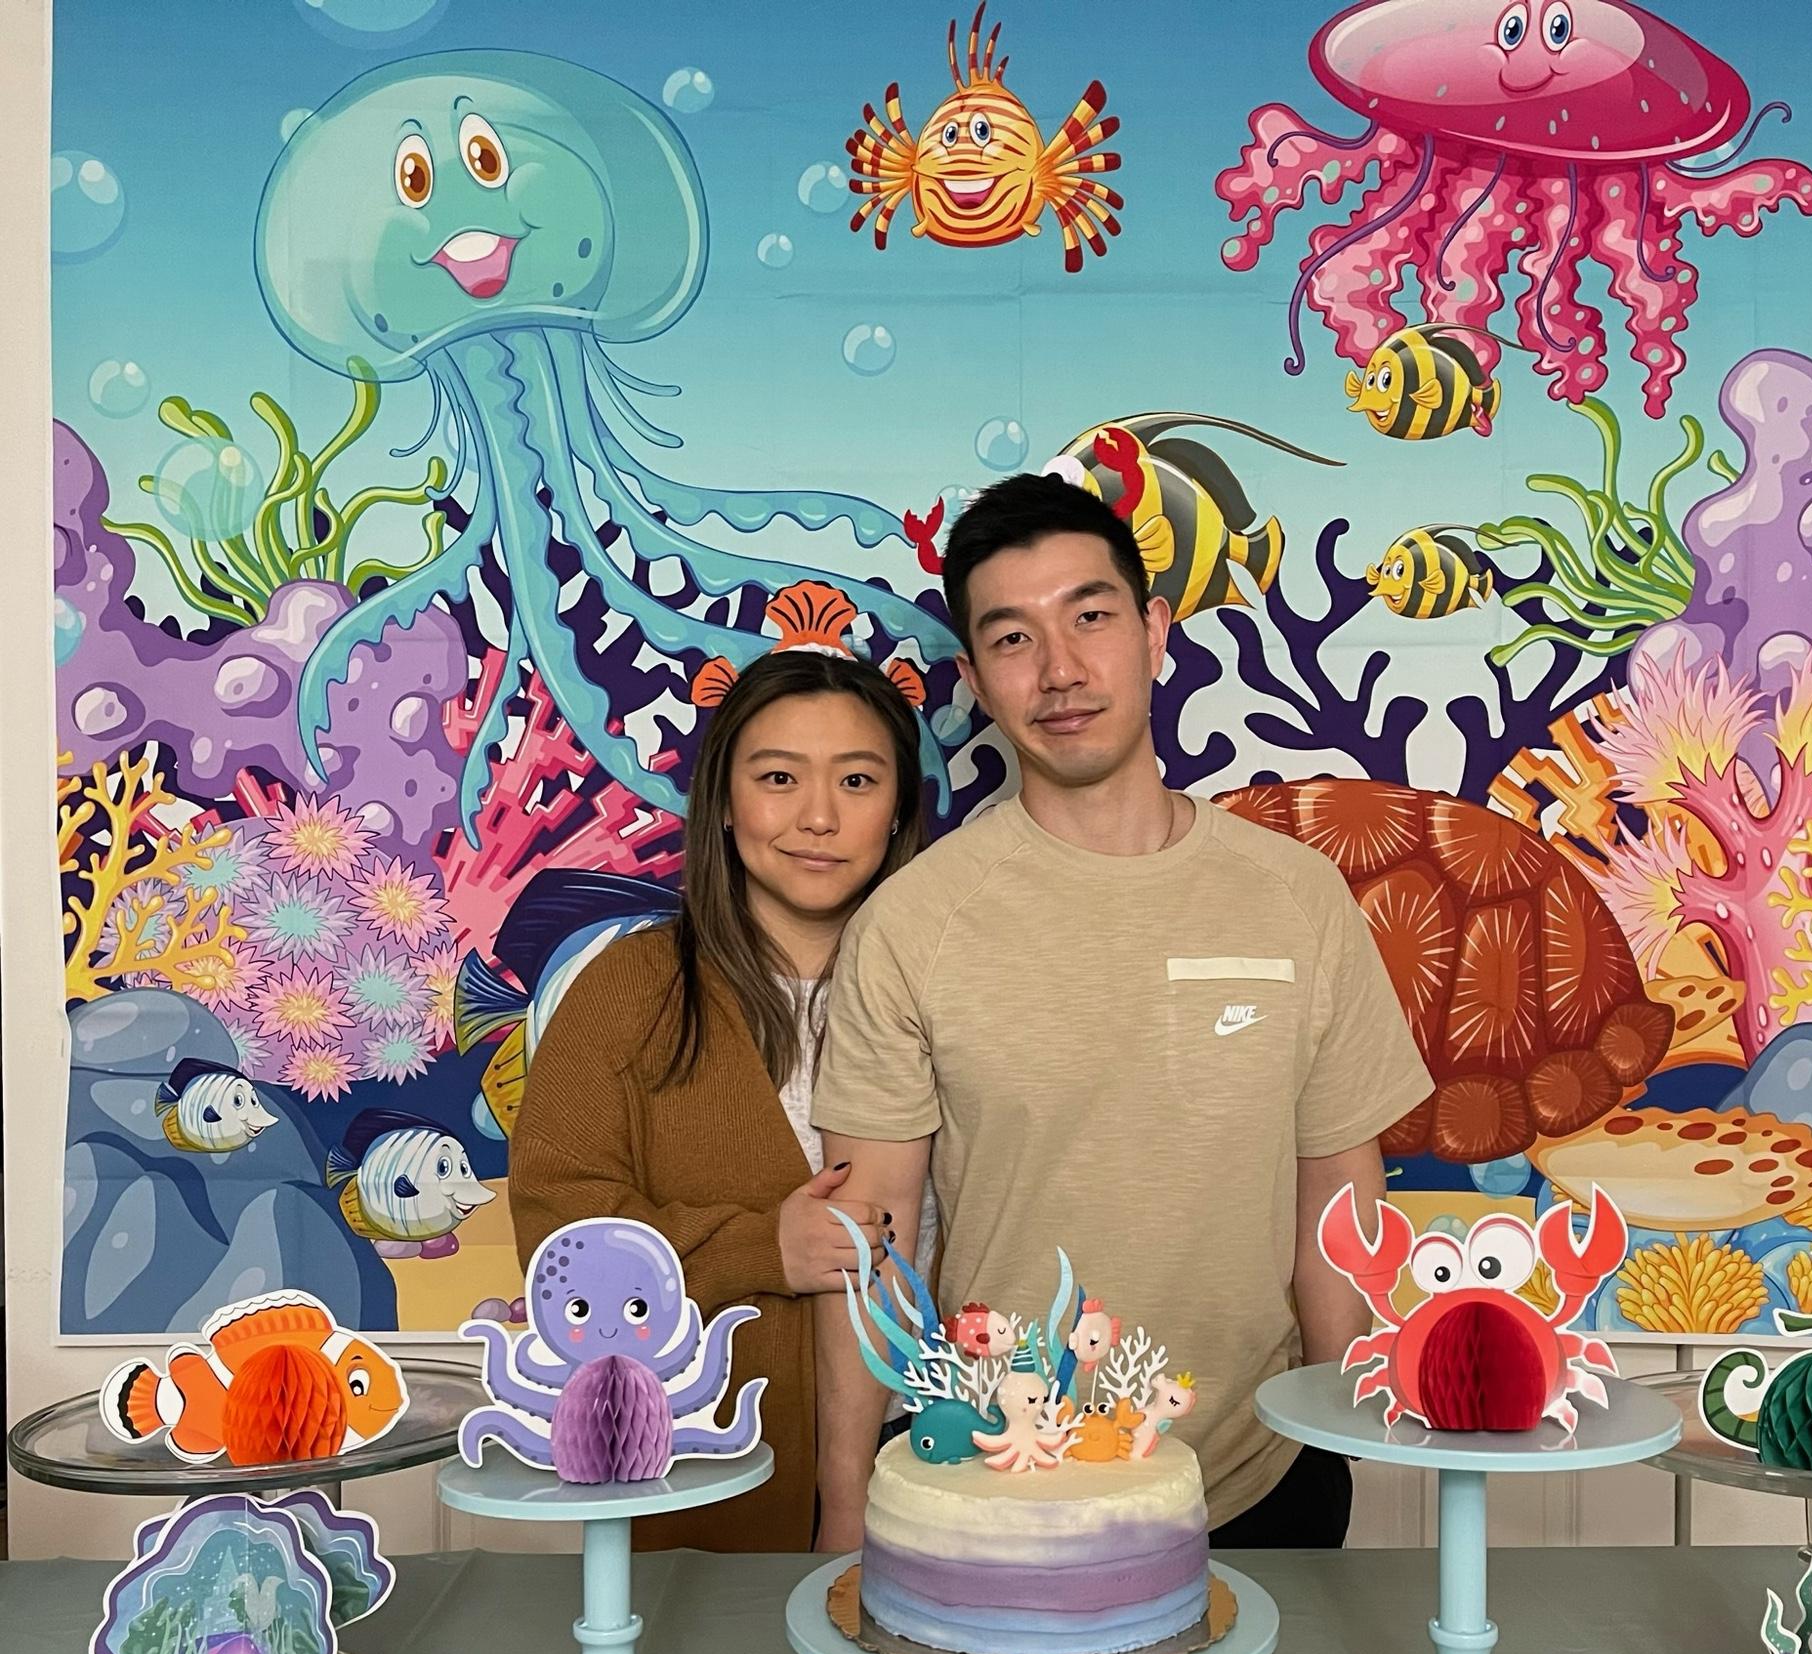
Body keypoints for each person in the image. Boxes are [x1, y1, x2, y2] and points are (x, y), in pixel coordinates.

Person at [811, 474, 1432, 1551]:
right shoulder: (913, 924)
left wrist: (1343, 1428)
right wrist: (841, 1514)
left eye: (1089, 617)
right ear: (976, 680)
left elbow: (1336, 1187)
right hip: (999, 1478)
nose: (1059, 669)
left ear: (1153, 632)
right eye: (1013, 638)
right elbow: (869, 1242)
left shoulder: (1296, 897)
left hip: (1261, 1478)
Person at [511, 645, 932, 1550]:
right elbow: (559, 1234)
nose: (818, 816)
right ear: (726, 804)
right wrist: (759, 1248)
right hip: (716, 1469)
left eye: (857, 780)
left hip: (952, 1447)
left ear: (900, 808)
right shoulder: (630, 990)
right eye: (779, 777)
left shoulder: (956, 992)